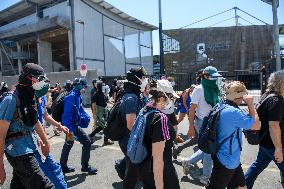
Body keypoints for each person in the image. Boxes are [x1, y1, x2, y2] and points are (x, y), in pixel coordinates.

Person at [0, 63, 54, 188]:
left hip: (29, 147)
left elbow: (34, 120)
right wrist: (1, 167)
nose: (42, 83)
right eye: (39, 79)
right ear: (29, 78)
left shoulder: (30, 96)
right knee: (44, 186)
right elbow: (0, 136)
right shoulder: (11, 99)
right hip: (18, 152)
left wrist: (46, 140)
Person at [205, 81, 260, 189]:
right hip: (226, 160)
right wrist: (250, 104)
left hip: (228, 156)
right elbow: (256, 125)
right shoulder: (233, 112)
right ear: (239, 96)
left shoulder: (221, 105)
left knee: (240, 187)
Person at [182, 66, 221, 184]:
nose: (215, 79)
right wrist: (190, 127)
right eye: (212, 76)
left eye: (215, 76)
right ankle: (206, 176)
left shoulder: (215, 88)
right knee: (209, 150)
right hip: (202, 123)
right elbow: (192, 109)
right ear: (205, 76)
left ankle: (188, 162)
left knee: (207, 148)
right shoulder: (199, 89)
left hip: (213, 122)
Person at [245, 70, 284, 189]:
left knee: (257, 166)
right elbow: (273, 125)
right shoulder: (276, 100)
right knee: (257, 166)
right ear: (282, 83)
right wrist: (278, 148)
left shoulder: (266, 95)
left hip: (265, 141)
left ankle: (243, 186)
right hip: (274, 144)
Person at [138, 79, 180, 189]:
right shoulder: (160, 119)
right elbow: (158, 158)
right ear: (161, 98)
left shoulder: (145, 109)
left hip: (145, 165)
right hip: (161, 170)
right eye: (170, 98)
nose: (172, 101)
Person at [116, 67, 147, 188]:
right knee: (134, 168)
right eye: (143, 78)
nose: (145, 81)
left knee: (133, 165)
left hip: (129, 139)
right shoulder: (131, 98)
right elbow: (130, 125)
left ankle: (122, 167)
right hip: (128, 139)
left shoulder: (132, 95)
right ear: (136, 80)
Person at [60, 78, 97, 175]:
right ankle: (65, 167)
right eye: (84, 87)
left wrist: (86, 117)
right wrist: (70, 132)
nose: (85, 89)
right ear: (79, 86)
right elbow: (66, 117)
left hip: (74, 126)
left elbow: (80, 111)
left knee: (83, 142)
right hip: (70, 127)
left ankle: (69, 166)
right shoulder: (71, 97)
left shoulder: (78, 96)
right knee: (70, 143)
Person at [89, 81, 114, 145]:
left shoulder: (103, 93)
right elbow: (93, 105)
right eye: (102, 85)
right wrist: (94, 114)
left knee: (104, 126)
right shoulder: (95, 94)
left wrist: (113, 103)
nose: (104, 86)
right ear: (99, 86)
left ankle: (105, 140)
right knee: (103, 126)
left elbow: (106, 100)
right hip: (99, 112)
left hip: (105, 111)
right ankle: (91, 136)